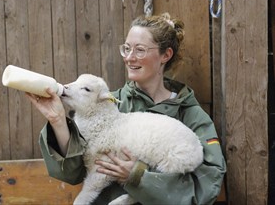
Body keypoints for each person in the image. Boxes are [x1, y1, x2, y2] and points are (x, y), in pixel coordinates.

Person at [26, 12, 226, 204]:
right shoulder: (104, 105)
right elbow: (72, 172)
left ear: (165, 55)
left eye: (139, 50)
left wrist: (139, 176)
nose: (129, 58)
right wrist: (58, 122)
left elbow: (206, 186)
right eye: (127, 48)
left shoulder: (191, 115)